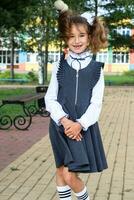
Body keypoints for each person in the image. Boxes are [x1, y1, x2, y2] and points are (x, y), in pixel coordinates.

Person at [45, 0, 108, 199]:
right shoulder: (60, 65)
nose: (76, 40)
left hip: (81, 128)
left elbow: (96, 103)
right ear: (66, 38)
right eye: (71, 36)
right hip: (60, 126)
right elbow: (50, 98)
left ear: (89, 37)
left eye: (81, 35)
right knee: (61, 171)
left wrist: (79, 124)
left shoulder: (96, 69)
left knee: (70, 175)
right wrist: (64, 120)